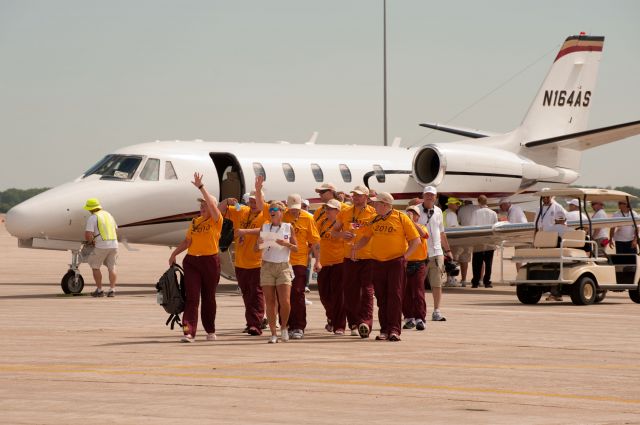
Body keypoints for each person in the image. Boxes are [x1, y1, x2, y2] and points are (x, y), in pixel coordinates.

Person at [353, 192, 420, 341]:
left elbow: (416, 241)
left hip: (395, 262)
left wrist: (405, 257)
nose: (374, 205)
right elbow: (365, 237)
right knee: (381, 297)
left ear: (385, 204)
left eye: (376, 203)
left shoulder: (401, 218)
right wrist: (355, 248)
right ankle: (384, 330)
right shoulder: (374, 219)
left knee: (395, 296)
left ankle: (394, 330)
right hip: (377, 262)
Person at [168, 173, 223, 343]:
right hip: (192, 261)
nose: (202, 208)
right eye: (201, 206)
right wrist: (174, 253)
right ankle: (188, 332)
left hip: (210, 261)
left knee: (209, 298)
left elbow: (213, 207)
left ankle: (210, 330)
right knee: (192, 297)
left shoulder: (216, 220)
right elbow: (187, 241)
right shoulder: (194, 222)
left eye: (205, 205)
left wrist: (201, 188)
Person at [219, 176, 267, 336]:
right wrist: (227, 201)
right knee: (246, 293)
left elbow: (263, 230)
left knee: (256, 293)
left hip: (257, 261)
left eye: (255, 201)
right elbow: (220, 210)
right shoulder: (243, 211)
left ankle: (256, 323)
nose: (253, 204)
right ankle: (252, 321)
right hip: (240, 261)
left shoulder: (265, 213)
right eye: (251, 201)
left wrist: (245, 231)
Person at [331, 185, 377, 337]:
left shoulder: (373, 212)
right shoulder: (345, 212)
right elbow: (334, 231)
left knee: (367, 291)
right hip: (349, 257)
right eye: (354, 195)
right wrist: (342, 234)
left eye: (359, 195)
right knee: (350, 293)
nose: (355, 197)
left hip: (368, 257)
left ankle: (365, 322)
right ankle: (354, 323)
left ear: (366, 197)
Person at [256, 201, 298, 343]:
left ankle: (284, 327)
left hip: (283, 266)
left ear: (281, 212)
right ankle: (273, 333)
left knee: (285, 301)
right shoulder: (265, 226)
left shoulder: (288, 227)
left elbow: (296, 248)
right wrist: (259, 242)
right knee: (270, 301)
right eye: (271, 209)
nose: (272, 212)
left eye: (275, 209)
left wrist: (286, 244)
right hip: (267, 266)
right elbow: (256, 248)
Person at [283, 193, 321, 340]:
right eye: (291, 208)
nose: (294, 211)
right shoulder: (281, 216)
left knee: (297, 293)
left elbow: (315, 242)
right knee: (284, 295)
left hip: (299, 261)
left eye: (296, 208)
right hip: (283, 261)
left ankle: (298, 326)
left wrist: (317, 261)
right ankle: (286, 325)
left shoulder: (308, 218)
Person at [417, 186, 453, 322]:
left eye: (432, 195)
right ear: (423, 195)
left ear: (436, 197)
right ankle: (418, 310)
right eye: (427, 194)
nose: (429, 197)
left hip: (436, 252)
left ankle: (437, 310)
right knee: (418, 283)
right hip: (421, 252)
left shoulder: (438, 211)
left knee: (437, 283)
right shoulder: (417, 211)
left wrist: (448, 250)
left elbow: (442, 232)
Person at [316, 199, 346, 334]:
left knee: (338, 295)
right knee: (324, 295)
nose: (327, 211)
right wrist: (316, 260)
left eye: (331, 209)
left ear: (338, 211)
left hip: (339, 263)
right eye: (326, 208)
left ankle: (339, 325)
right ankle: (331, 317)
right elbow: (314, 241)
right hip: (324, 263)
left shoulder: (343, 224)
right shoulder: (320, 222)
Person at [83, 198, 119, 297]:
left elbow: (88, 234)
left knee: (95, 266)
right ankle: (112, 290)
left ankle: (99, 290)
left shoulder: (93, 217)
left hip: (102, 245)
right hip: (114, 244)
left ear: (90, 209)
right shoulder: (109, 215)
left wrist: (91, 242)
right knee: (112, 267)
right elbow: (115, 230)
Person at [402, 205, 429, 331]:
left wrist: (412, 222)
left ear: (418, 216)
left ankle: (420, 319)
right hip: (406, 262)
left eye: (414, 213)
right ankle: (409, 318)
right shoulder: (403, 229)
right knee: (405, 292)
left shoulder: (421, 226)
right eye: (409, 213)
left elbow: (424, 234)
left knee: (418, 291)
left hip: (419, 263)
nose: (411, 214)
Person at [470, 195, 498, 288]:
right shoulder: (493, 213)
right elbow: (496, 227)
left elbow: (472, 226)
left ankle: (475, 281)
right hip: (490, 240)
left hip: (478, 240)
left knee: (477, 262)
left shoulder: (476, 212)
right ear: (487, 202)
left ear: (478, 202)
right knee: (488, 263)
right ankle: (487, 281)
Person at [443, 197, 462, 287]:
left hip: (446, 239)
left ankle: (449, 279)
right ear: (450, 204)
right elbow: (453, 228)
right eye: (456, 204)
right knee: (453, 261)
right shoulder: (451, 214)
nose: (457, 205)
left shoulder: (445, 213)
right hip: (452, 240)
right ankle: (450, 279)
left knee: (448, 261)